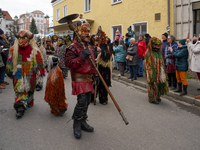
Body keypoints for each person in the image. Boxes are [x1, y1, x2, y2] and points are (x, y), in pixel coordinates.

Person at [65, 18, 99, 139]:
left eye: (88, 31)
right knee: (81, 102)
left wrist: (95, 75)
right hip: (79, 79)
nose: (87, 33)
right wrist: (82, 56)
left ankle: (83, 121)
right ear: (78, 32)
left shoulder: (89, 47)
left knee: (88, 101)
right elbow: (69, 63)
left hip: (89, 79)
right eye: (84, 31)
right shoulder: (73, 47)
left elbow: (92, 63)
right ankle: (76, 123)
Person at [6, 30, 45, 119]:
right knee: (20, 90)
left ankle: (29, 101)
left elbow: (39, 61)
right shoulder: (13, 49)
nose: (22, 40)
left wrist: (40, 70)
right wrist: (9, 70)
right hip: (18, 75)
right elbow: (9, 61)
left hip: (30, 74)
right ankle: (20, 107)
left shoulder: (34, 50)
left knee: (30, 89)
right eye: (20, 38)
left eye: (25, 38)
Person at [144, 37, 168, 104]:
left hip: (159, 71)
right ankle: (152, 98)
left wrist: (162, 72)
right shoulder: (148, 53)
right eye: (156, 45)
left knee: (159, 83)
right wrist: (151, 73)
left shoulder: (159, 53)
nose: (157, 47)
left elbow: (161, 63)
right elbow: (147, 65)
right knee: (152, 84)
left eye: (158, 45)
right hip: (152, 72)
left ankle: (157, 96)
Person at [95, 29, 112, 105]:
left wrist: (101, 51)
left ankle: (103, 99)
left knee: (103, 84)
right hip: (96, 68)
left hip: (104, 70)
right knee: (95, 83)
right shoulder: (94, 46)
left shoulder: (106, 47)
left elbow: (107, 55)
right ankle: (93, 97)